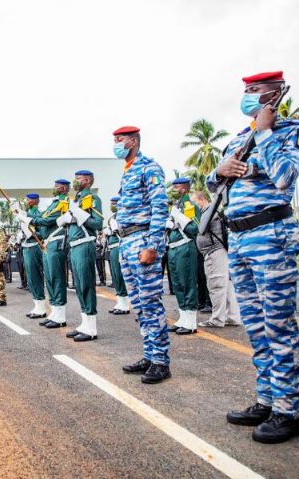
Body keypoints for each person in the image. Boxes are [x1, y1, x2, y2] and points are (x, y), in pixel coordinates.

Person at [207, 71, 299, 443]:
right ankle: (267, 400)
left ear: (275, 95)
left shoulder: (292, 130)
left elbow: (284, 177)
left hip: (272, 234)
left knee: (279, 325)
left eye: (255, 91)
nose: (248, 96)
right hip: (240, 237)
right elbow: (213, 183)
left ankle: (287, 412)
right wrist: (219, 171)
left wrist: (265, 131)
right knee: (256, 326)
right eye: (245, 90)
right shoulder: (237, 138)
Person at [113, 126, 171, 384]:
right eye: (115, 140)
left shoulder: (149, 167)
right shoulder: (127, 171)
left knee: (150, 303)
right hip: (127, 241)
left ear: (134, 141)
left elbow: (160, 207)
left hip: (142, 240)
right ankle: (149, 354)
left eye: (121, 139)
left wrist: (153, 245)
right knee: (138, 304)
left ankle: (161, 361)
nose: (116, 144)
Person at [59, 171, 104, 341]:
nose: (75, 181)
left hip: (85, 244)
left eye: (78, 178)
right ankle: (85, 323)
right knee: (79, 285)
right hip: (75, 246)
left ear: (87, 181)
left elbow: (98, 223)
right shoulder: (77, 200)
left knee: (86, 284)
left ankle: (91, 328)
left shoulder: (91, 198)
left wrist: (79, 215)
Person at [191, 191, 241, 328]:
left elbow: (200, 229)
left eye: (194, 201)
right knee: (227, 286)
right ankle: (233, 317)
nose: (193, 205)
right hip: (219, 252)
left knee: (216, 285)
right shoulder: (212, 212)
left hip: (214, 252)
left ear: (201, 200)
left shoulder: (209, 213)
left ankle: (217, 319)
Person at [32, 179, 70, 328]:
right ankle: (55, 311)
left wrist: (29, 218)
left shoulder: (63, 202)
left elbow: (47, 220)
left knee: (56, 278)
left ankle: (60, 315)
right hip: (49, 243)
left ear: (63, 188)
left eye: (56, 186)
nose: (54, 188)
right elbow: (43, 221)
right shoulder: (54, 203)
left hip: (57, 242)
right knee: (50, 278)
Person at [166, 177, 200, 335]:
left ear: (184, 189)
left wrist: (178, 217)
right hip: (173, 248)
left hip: (185, 246)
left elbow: (194, 228)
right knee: (177, 284)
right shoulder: (175, 206)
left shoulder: (188, 205)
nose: (173, 190)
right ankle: (183, 317)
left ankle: (191, 321)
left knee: (187, 282)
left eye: (176, 187)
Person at [15, 193, 47, 319]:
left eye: (28, 199)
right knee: (31, 278)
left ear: (35, 201)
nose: (27, 201)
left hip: (34, 246)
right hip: (26, 246)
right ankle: (37, 305)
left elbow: (41, 233)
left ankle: (41, 306)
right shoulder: (26, 213)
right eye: (26, 199)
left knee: (35, 275)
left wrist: (28, 229)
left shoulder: (38, 213)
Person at [104, 196, 130, 315]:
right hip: (112, 248)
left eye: (114, 203)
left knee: (120, 274)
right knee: (115, 275)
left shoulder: (124, 215)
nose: (112, 205)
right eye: (111, 202)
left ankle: (125, 303)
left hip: (120, 246)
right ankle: (120, 300)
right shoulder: (112, 217)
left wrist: (116, 229)